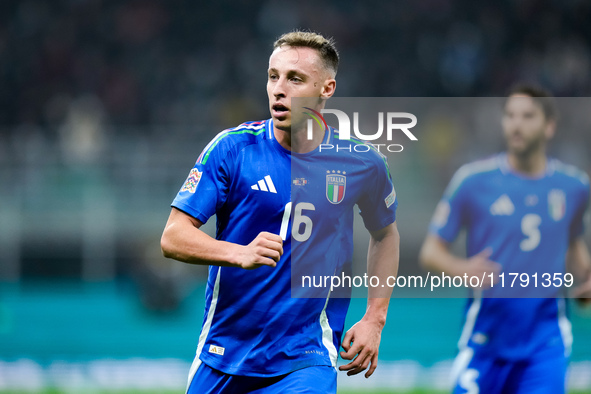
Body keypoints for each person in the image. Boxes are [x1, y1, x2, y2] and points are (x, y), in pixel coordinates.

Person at [161, 30, 400, 394]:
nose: (279, 88)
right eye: (273, 76)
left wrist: (375, 318)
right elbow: (173, 236)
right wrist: (238, 253)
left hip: (305, 358)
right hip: (223, 354)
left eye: (295, 78)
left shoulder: (361, 164)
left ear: (327, 89)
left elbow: (386, 233)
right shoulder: (233, 149)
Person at [420, 85, 591, 394]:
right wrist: (462, 269)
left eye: (527, 116)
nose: (516, 124)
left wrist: (586, 279)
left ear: (549, 126)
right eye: (510, 115)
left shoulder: (574, 187)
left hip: (545, 342)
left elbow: (574, 241)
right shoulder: (472, 182)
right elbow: (431, 250)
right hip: (484, 341)